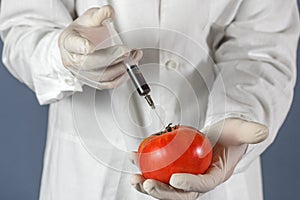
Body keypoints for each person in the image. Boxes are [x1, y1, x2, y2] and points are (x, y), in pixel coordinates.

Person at [0, 1, 299, 200]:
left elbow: (263, 47)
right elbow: (25, 24)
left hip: (212, 164)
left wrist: (239, 114)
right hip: (87, 176)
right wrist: (62, 54)